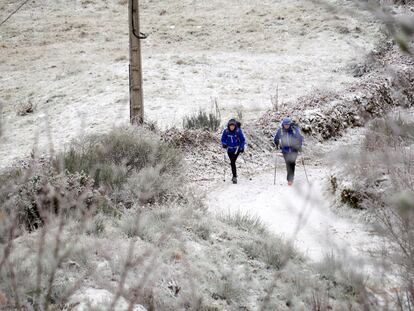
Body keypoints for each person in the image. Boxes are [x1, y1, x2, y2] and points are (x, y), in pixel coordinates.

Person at [274, 117, 303, 186]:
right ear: (283, 124)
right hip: (285, 150)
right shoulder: (280, 131)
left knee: (292, 163)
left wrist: (299, 146)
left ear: (290, 124)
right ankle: (289, 180)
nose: (286, 126)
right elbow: (276, 138)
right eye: (285, 124)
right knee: (288, 164)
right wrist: (276, 143)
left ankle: (291, 179)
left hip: (294, 150)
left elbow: (299, 138)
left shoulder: (294, 130)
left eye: (287, 124)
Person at [221, 119, 245, 184]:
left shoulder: (238, 131)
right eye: (230, 126)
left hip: (236, 149)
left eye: (233, 126)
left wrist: (242, 147)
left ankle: (234, 177)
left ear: (235, 126)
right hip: (229, 150)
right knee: (232, 163)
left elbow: (242, 140)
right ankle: (234, 176)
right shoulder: (226, 131)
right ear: (228, 126)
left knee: (232, 162)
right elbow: (223, 139)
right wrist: (224, 144)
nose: (232, 127)